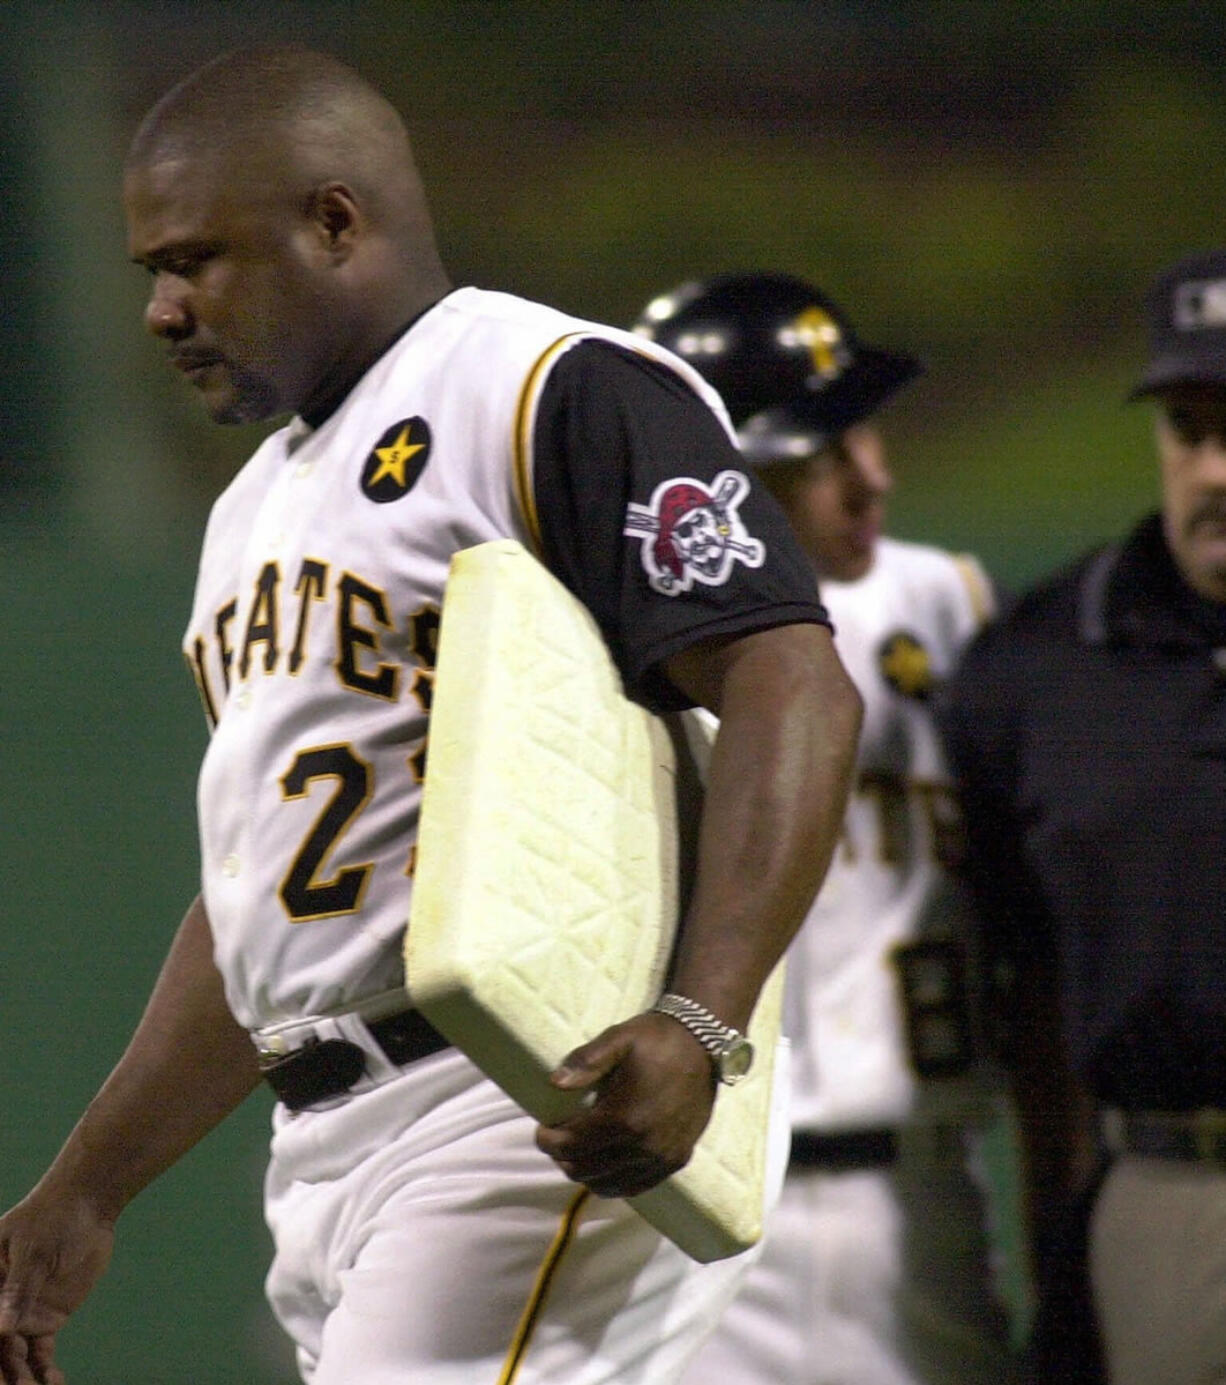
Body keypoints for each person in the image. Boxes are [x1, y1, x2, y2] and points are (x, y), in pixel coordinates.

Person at [0, 48, 864, 1385]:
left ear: (335, 221)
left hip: (531, 1090)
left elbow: (787, 681)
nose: (165, 310)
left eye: (195, 261)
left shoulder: (545, 388)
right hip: (327, 1142)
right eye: (150, 275)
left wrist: (703, 1018)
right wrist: (91, 1186)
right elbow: (267, 906)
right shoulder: (249, 509)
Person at [635, 273, 1016, 1384]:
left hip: (923, 1189)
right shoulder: (612, 640)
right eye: (815, 453)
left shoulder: (943, 600)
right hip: (694, 1193)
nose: (871, 477)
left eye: (865, 433)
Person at [940, 247, 1226, 1385]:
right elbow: (1027, 989)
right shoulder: (1042, 661)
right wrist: (1060, 1228)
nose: (1216, 466)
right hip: (1161, 1197)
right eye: (1189, 426)